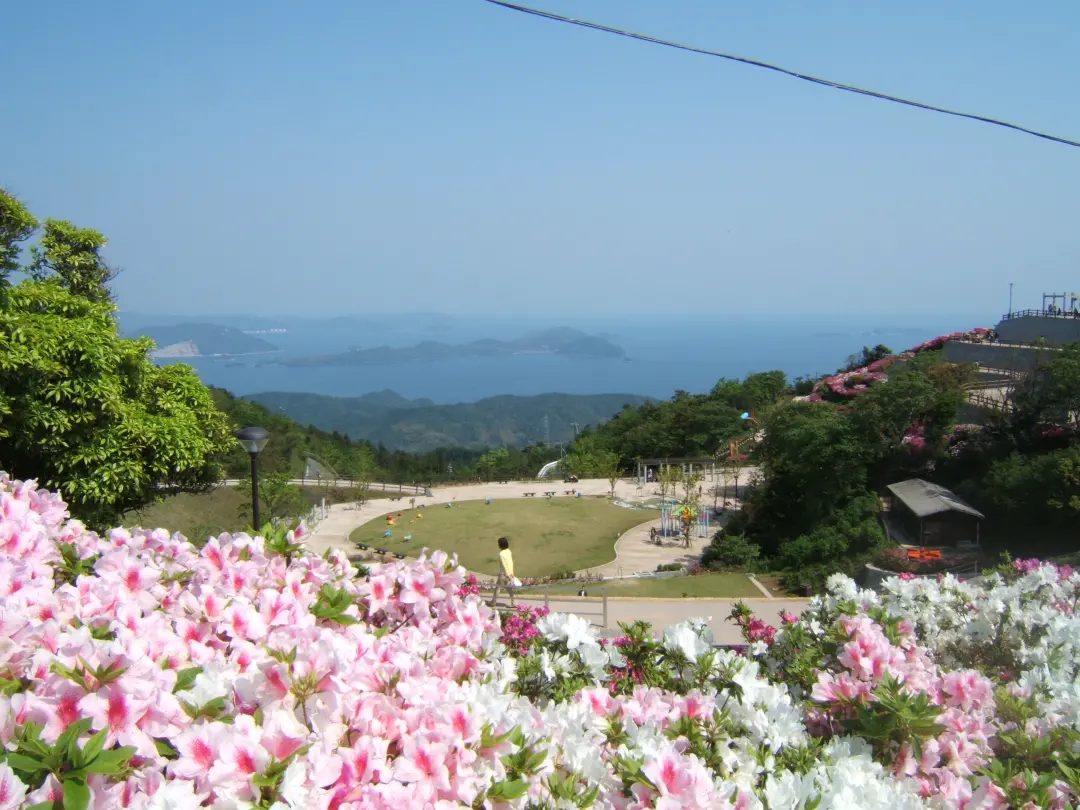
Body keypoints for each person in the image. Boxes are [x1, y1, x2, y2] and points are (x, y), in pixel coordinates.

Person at [489, 536, 517, 608]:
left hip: (503, 574)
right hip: (509, 574)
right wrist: (511, 573)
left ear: (500, 545)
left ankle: (493, 602)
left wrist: (507, 574)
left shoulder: (501, 554)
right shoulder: (509, 552)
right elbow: (511, 563)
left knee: (497, 588)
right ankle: (514, 602)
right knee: (509, 588)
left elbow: (504, 564)